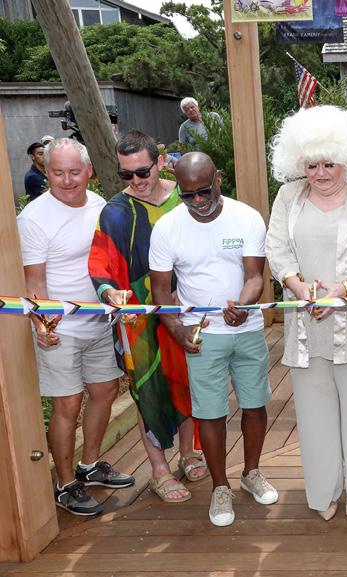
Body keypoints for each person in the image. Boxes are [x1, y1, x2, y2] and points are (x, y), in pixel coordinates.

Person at [266, 105, 347, 522]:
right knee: (314, 412)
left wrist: (346, 288)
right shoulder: (288, 197)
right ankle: (324, 492)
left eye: (329, 164)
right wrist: (297, 286)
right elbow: (276, 248)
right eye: (311, 165)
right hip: (306, 324)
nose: (320, 173)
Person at [149, 152, 276, 527]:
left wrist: (244, 304)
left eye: (204, 191)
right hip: (200, 334)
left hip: (246, 328)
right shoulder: (167, 228)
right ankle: (221, 488)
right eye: (188, 195)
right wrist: (178, 330)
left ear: (218, 179)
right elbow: (160, 291)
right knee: (210, 412)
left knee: (255, 404)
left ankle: (251, 472)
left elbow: (255, 276)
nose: (197, 201)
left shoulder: (247, 217)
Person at [17, 138, 135, 516]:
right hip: (60, 328)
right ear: (45, 171)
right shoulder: (33, 218)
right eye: (57, 172)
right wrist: (42, 324)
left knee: (105, 390)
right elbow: (34, 281)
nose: (66, 181)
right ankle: (65, 484)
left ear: (89, 171)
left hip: (99, 322)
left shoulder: (100, 206)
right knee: (67, 403)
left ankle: (90, 465)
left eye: (74, 172)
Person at [88, 129, 205, 505]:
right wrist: (109, 293)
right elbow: (99, 264)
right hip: (137, 318)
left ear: (160, 162)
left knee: (188, 380)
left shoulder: (186, 197)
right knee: (147, 387)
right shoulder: (115, 212)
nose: (136, 181)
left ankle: (189, 452)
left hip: (186, 306)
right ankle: (158, 470)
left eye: (143, 171)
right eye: (126, 174)